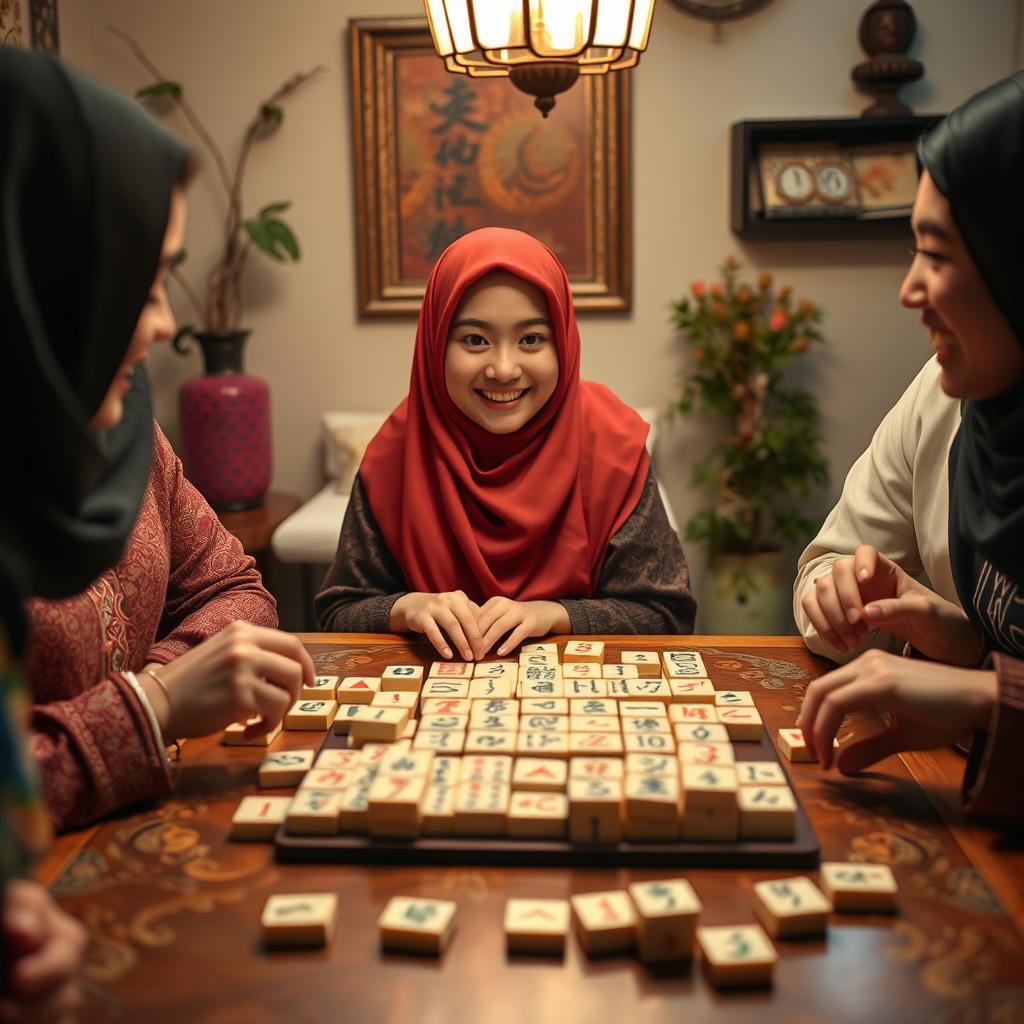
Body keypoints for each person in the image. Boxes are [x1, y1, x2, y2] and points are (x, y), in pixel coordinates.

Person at [2, 57, 317, 835]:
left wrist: (162, 693)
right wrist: (157, 706)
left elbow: (235, 591)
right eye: (138, 289)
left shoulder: (121, 427)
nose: (168, 325)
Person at [798, 72, 1024, 828]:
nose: (909, 289)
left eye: (937, 254)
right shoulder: (944, 391)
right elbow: (824, 569)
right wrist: (945, 639)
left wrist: (985, 696)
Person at [316, 228, 695, 658]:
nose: (503, 368)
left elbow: (668, 616)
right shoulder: (396, 453)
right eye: (475, 340)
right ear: (435, 344)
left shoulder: (614, 447)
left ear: (563, 343)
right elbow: (338, 611)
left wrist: (554, 615)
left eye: (531, 339)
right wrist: (407, 607)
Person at [793, 355, 960, 660]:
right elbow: (827, 569)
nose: (913, 303)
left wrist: (973, 659)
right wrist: (856, 604)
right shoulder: (942, 382)